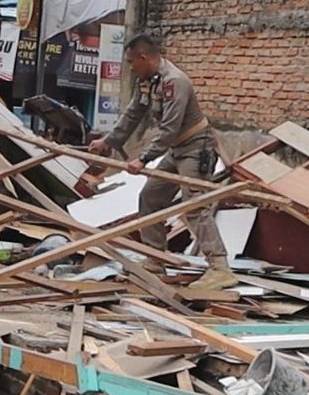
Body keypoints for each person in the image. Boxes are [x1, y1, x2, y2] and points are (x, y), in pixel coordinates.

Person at [89, 31, 236, 290]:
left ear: (144, 57)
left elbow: (169, 129)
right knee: (151, 197)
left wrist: (143, 159)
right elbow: (133, 113)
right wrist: (109, 141)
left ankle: (220, 268)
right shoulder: (148, 80)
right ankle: (155, 258)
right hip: (176, 150)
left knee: (195, 205)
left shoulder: (175, 82)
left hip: (196, 148)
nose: (131, 69)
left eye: (132, 62)